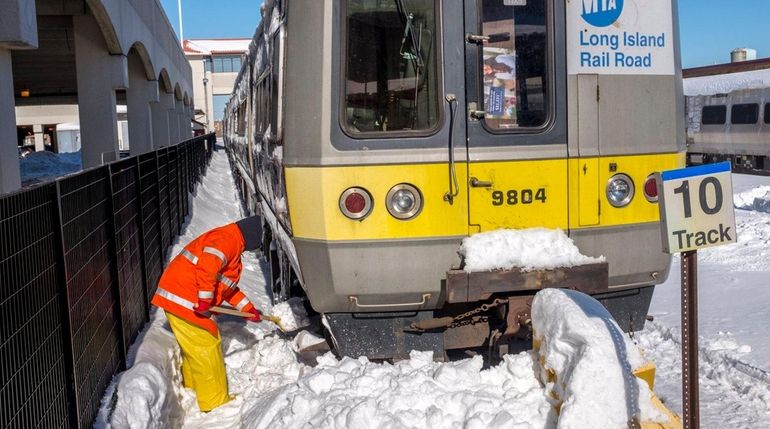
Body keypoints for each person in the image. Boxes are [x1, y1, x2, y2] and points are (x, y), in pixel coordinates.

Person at [151, 215, 263, 411]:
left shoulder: (233, 243)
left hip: (183, 296)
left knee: (195, 349)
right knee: (207, 346)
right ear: (252, 236)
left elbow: (226, 286)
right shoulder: (226, 240)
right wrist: (204, 300)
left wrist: (247, 309)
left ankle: (194, 390)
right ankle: (213, 402)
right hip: (185, 298)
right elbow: (207, 268)